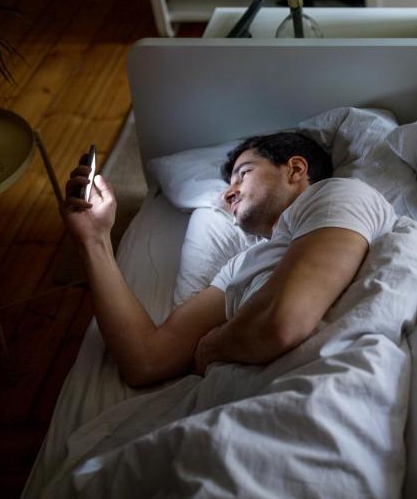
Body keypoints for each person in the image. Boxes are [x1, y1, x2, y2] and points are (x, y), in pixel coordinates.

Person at [60, 133, 396, 387]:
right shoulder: (239, 266)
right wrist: (93, 239)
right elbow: (146, 360)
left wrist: (212, 347)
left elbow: (282, 324)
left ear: (295, 169)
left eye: (243, 174)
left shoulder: (340, 193)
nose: (228, 192)